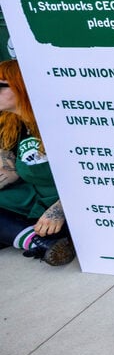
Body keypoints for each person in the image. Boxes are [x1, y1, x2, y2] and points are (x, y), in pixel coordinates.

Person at [0, 60, 75, 266]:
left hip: (70, 203)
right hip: (35, 201)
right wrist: (8, 170)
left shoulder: (58, 120)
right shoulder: (11, 123)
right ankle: (35, 241)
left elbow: (90, 174)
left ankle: (27, 238)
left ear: (22, 86)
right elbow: (7, 160)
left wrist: (62, 208)